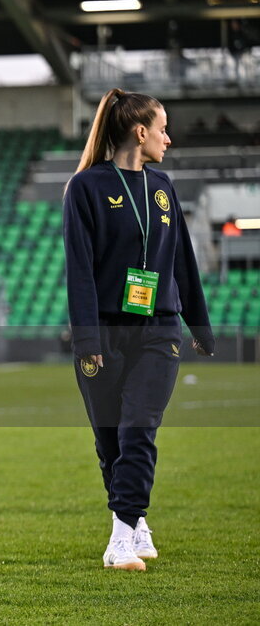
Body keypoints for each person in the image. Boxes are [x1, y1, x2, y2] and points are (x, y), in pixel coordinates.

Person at [63, 88, 214, 571]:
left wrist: (200, 324)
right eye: (163, 128)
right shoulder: (85, 188)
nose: (169, 138)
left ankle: (120, 537)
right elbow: (79, 271)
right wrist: (88, 341)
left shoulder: (164, 186)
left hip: (160, 331)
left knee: (138, 430)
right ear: (140, 131)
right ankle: (136, 520)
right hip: (105, 332)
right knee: (110, 441)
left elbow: (183, 263)